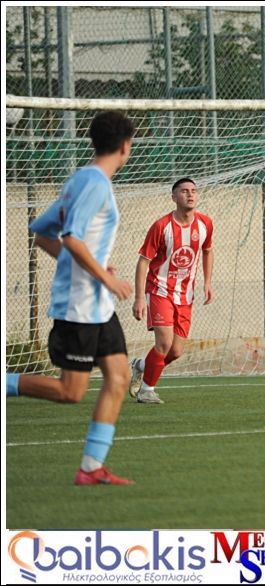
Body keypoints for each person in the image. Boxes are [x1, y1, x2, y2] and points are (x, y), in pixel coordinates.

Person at [5, 110, 136, 485]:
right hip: (80, 305)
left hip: (98, 305)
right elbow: (72, 239)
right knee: (70, 391)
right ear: (125, 146)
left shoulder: (81, 179)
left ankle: (91, 468)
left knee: (119, 377)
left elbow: (43, 234)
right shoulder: (95, 184)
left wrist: (95, 266)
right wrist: (105, 277)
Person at [127, 178, 214, 403]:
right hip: (160, 290)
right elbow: (143, 261)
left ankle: (141, 365)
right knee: (164, 343)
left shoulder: (205, 224)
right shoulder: (161, 226)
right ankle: (146, 391)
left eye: (193, 191)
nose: (190, 194)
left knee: (175, 352)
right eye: (184, 191)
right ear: (174, 197)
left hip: (185, 295)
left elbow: (207, 251)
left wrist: (207, 282)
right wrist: (139, 298)